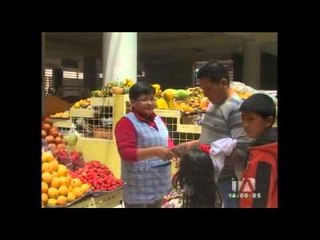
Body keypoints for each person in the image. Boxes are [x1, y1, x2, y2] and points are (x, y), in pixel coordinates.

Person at [172, 60, 251, 208]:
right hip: (211, 179)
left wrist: (205, 158)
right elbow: (212, 140)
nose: (205, 94)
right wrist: (190, 146)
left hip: (228, 181)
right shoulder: (214, 103)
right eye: (203, 90)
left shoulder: (236, 108)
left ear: (223, 82)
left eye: (208, 89)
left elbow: (242, 151)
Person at [115, 82, 176, 208]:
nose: (149, 103)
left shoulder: (157, 119)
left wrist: (173, 150)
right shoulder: (126, 123)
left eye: (151, 99)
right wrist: (155, 151)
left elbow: (166, 138)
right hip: (138, 185)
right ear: (132, 102)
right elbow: (126, 153)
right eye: (144, 100)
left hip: (159, 181)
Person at [239, 93, 278, 208]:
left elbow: (260, 198)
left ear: (268, 121)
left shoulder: (264, 156)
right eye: (243, 119)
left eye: (251, 119)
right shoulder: (257, 149)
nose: (245, 125)